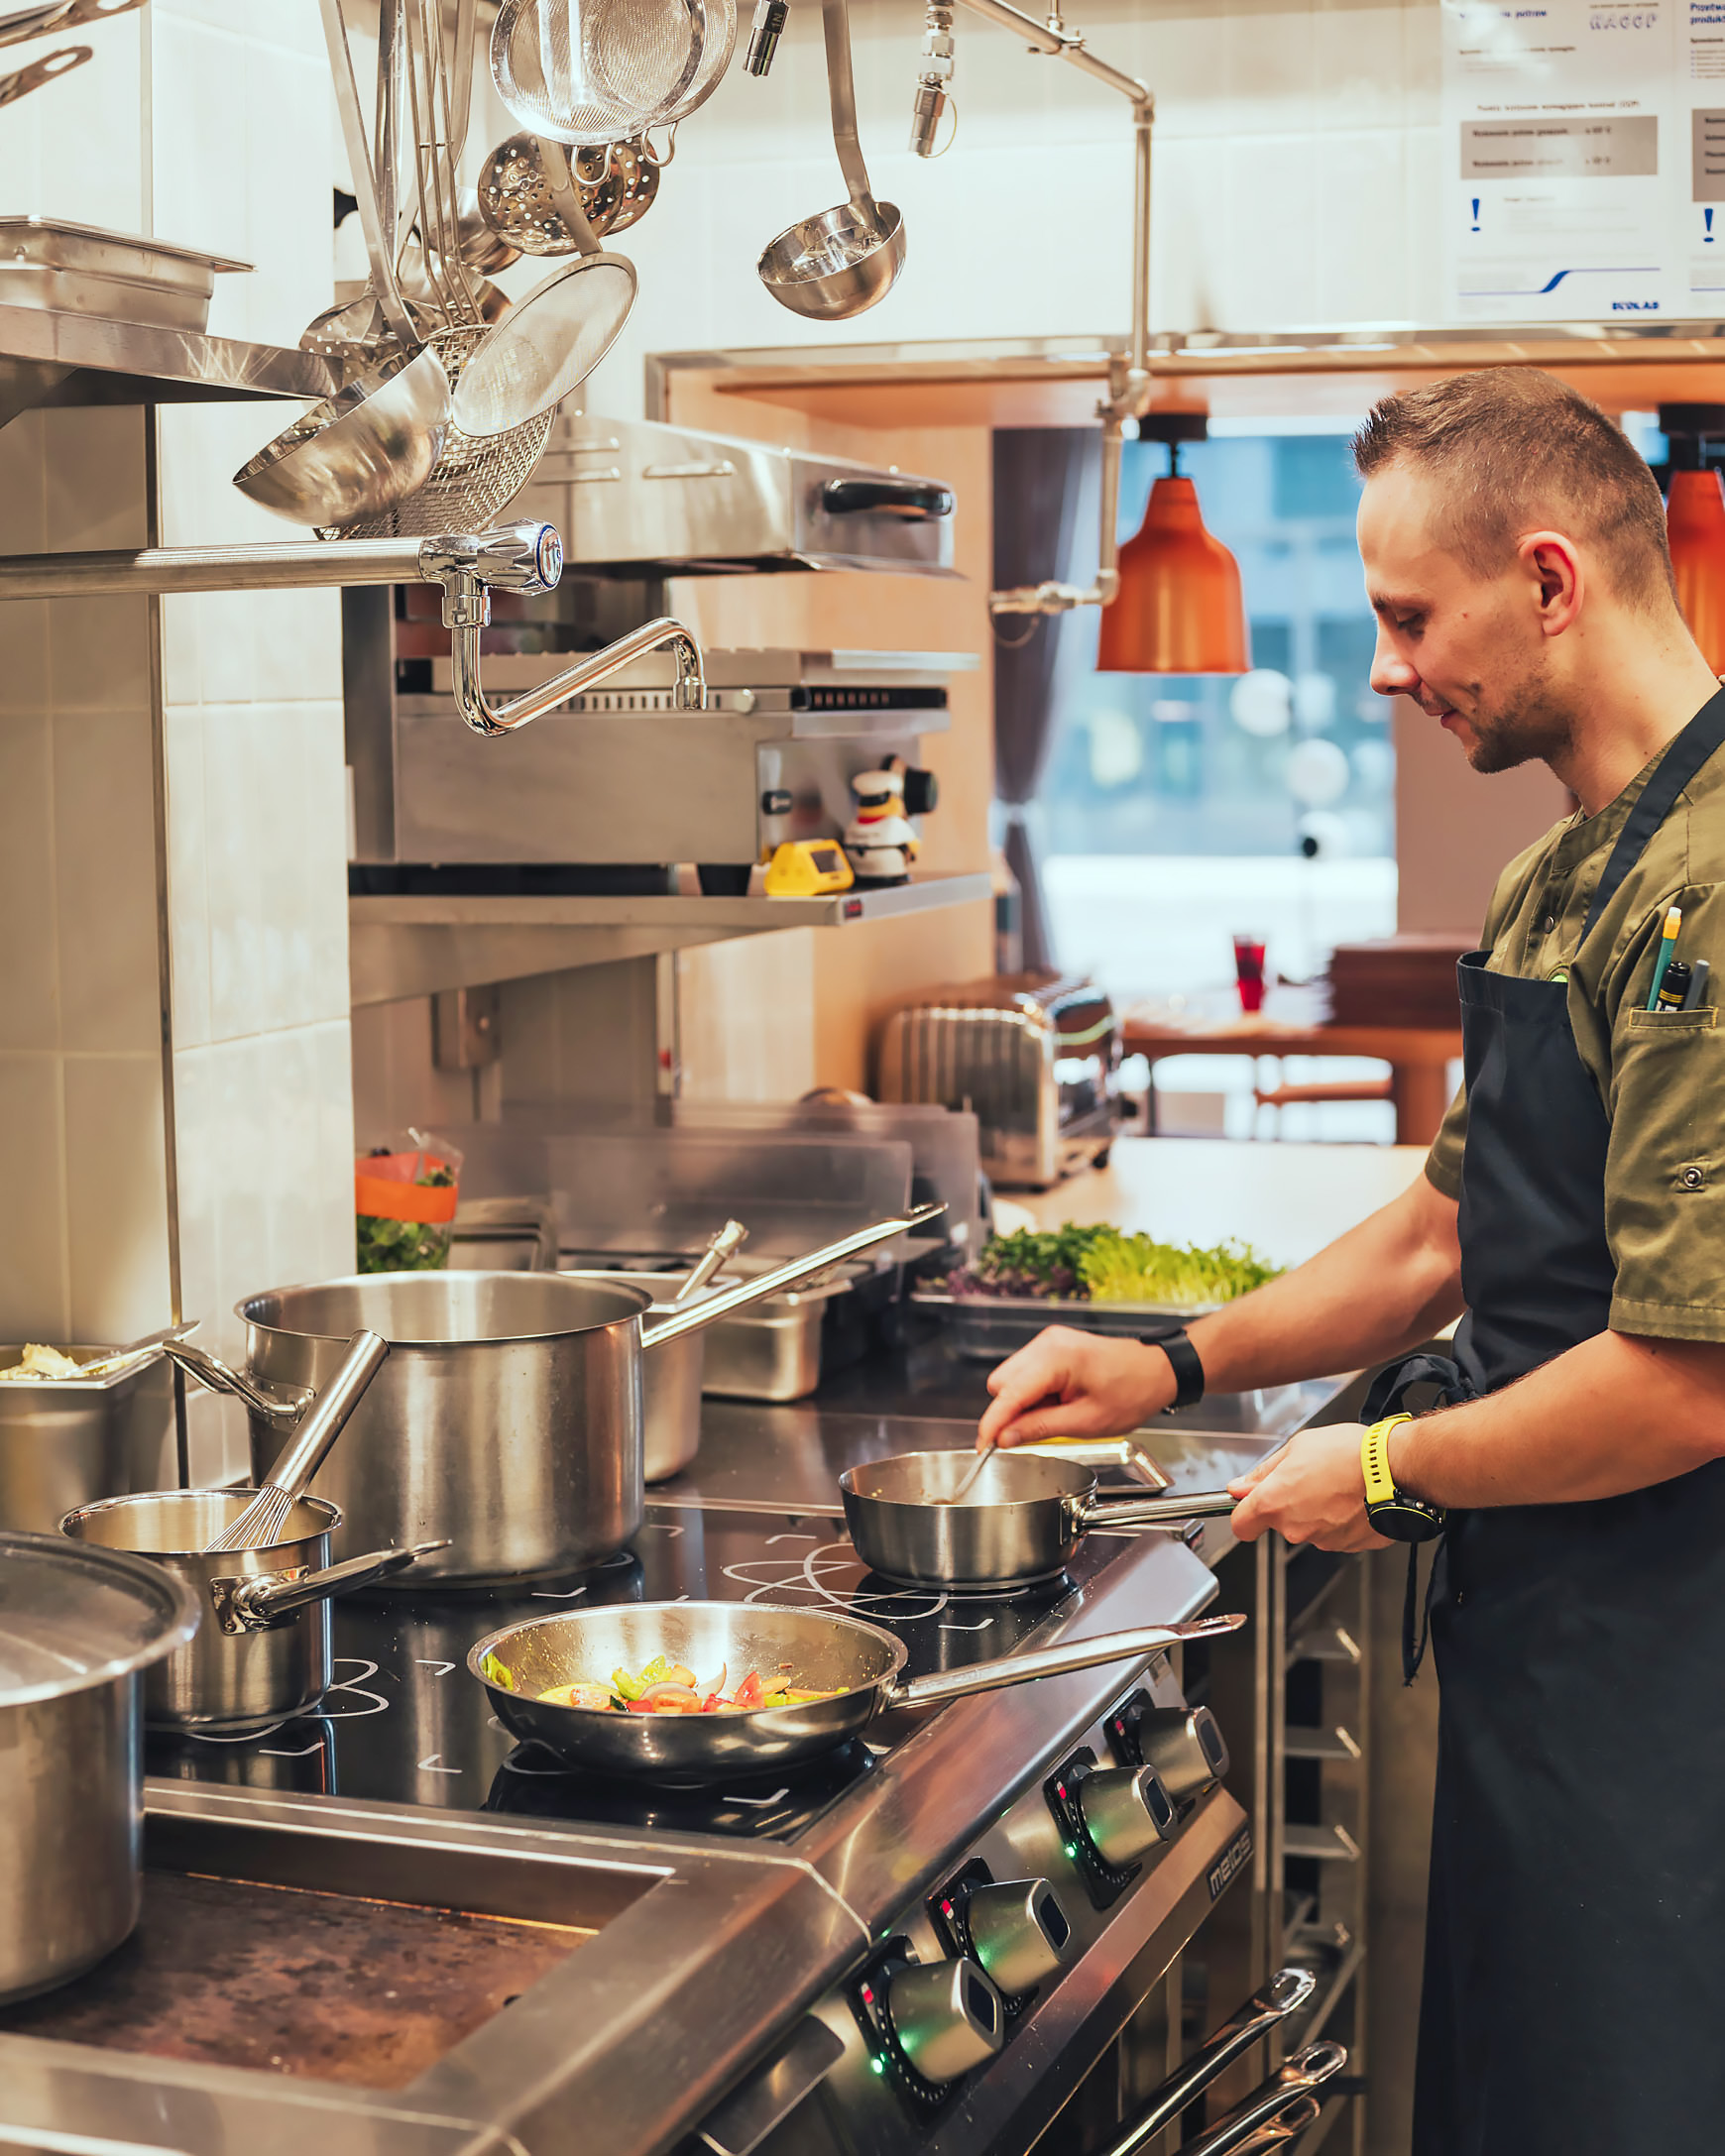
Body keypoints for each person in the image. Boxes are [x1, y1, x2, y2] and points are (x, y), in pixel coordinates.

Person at [977, 367, 1725, 2154]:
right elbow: (1438, 1236)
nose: (1386, 667)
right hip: (1551, 1640)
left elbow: (1693, 1381)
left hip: (1675, 1661)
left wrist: (1384, 1465)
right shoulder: (1569, 876)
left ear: (1550, 580)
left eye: (1407, 616)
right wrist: (1168, 1365)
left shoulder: (1713, 890)